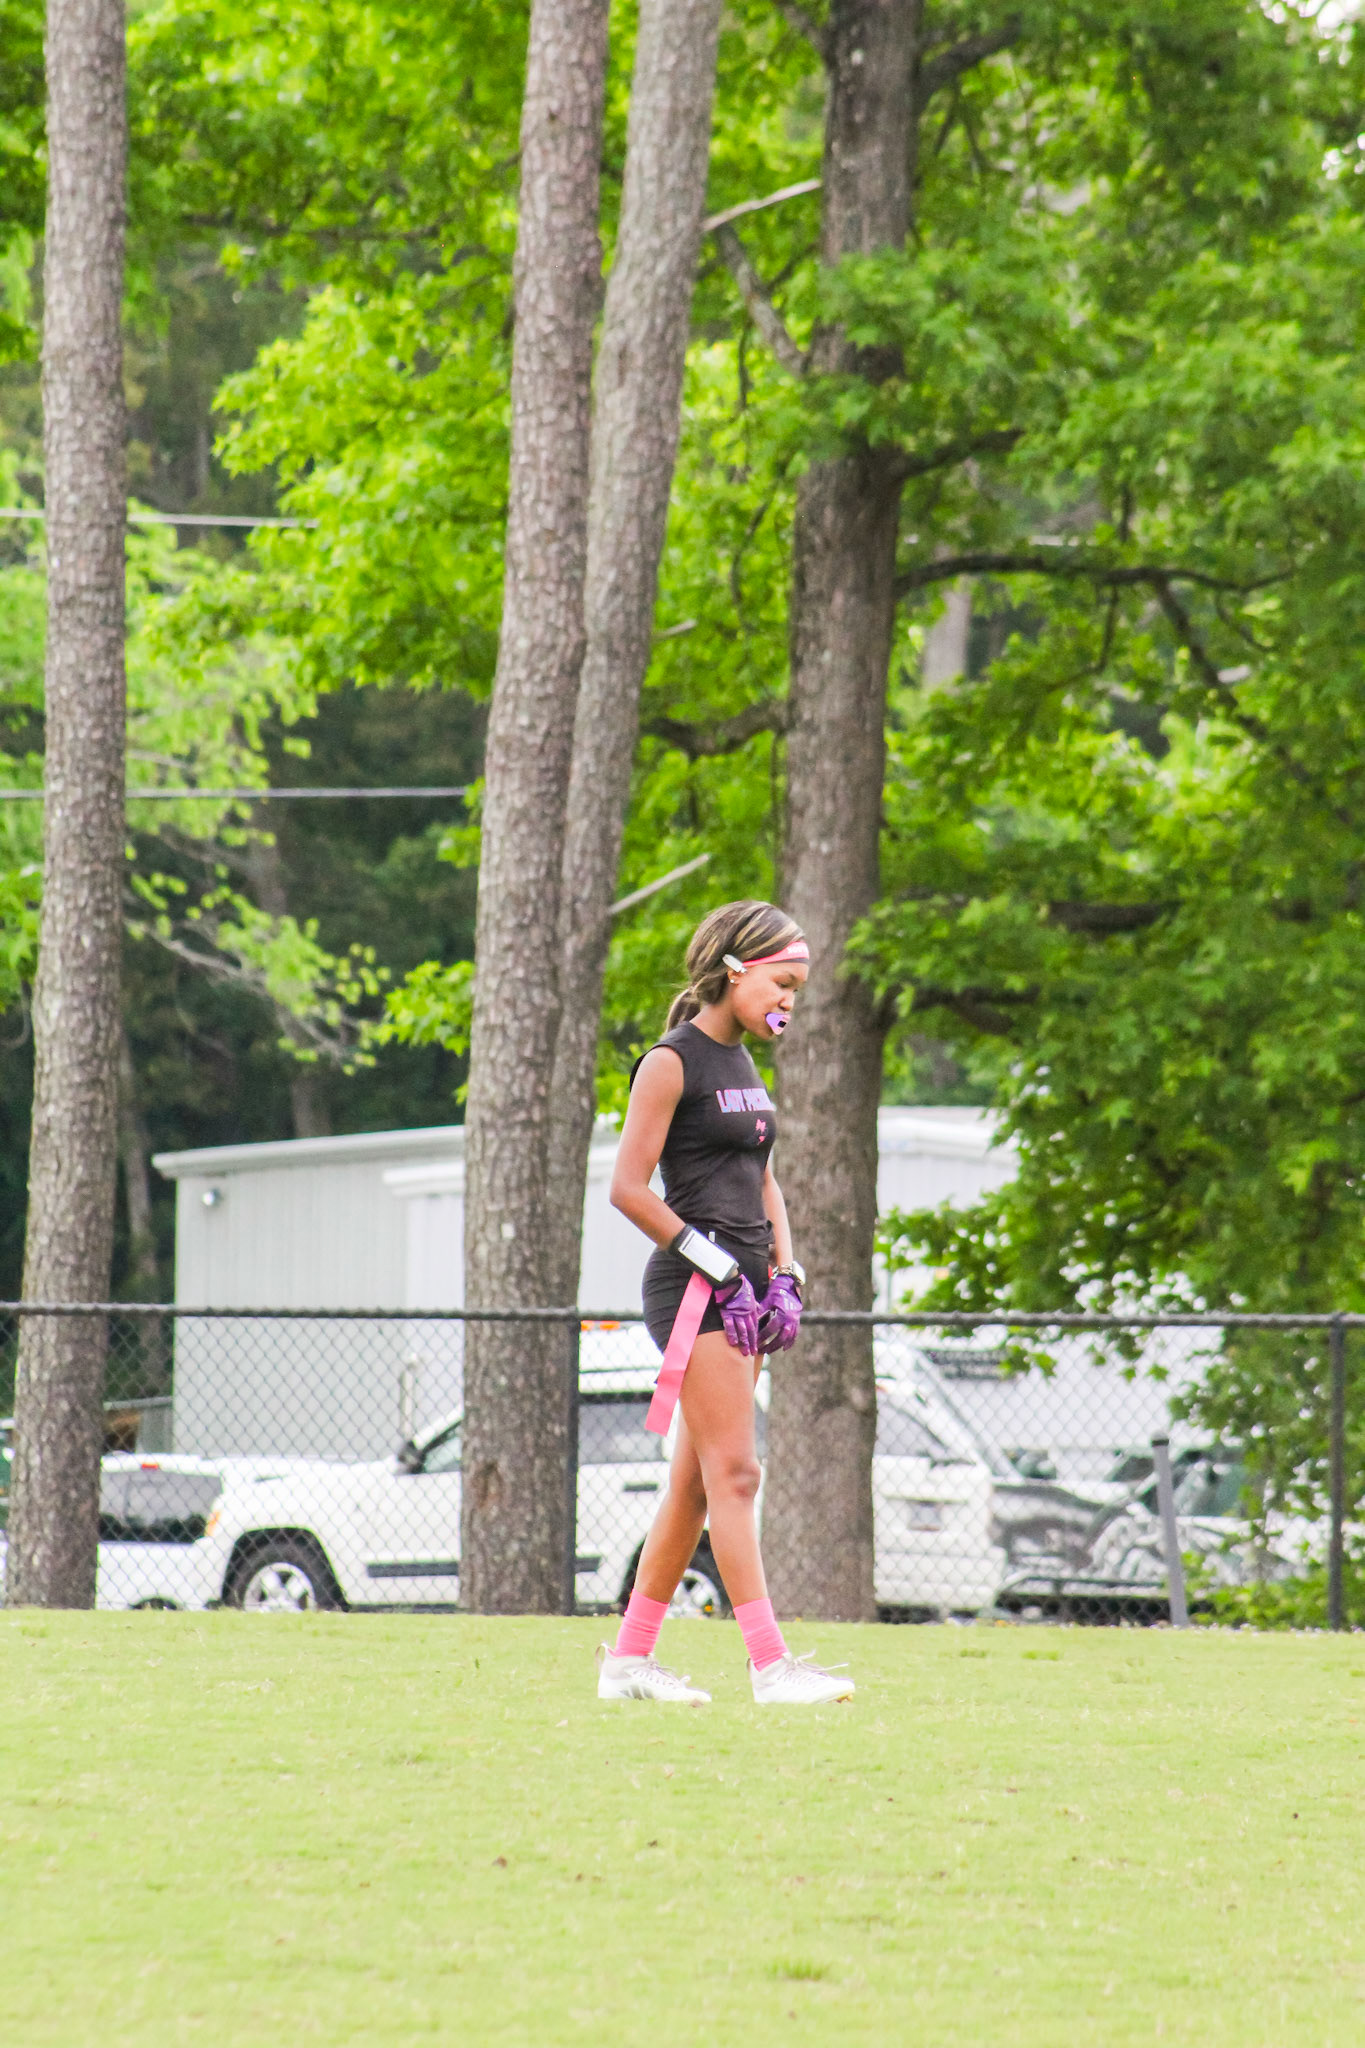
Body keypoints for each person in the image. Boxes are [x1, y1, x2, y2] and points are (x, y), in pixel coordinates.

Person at [595, 900, 855, 1706]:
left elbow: (764, 1183)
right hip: (693, 1293)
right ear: (735, 971)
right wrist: (719, 1269)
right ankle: (770, 1668)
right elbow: (627, 1189)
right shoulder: (670, 1062)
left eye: (797, 990)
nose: (788, 1003)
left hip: (744, 1295)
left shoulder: (743, 1065)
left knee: (696, 1487)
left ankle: (627, 1663)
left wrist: (787, 1274)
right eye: (781, 985)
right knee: (738, 1474)